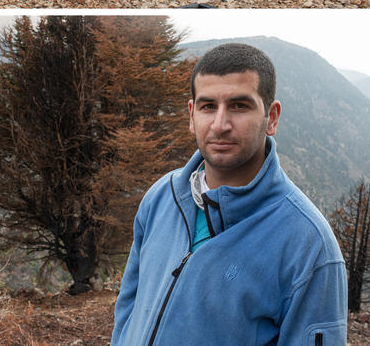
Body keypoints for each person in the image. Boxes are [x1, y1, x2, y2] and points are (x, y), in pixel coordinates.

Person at [110, 42, 347, 346]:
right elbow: (128, 309)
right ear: (191, 115)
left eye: (239, 106)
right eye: (208, 106)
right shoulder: (160, 198)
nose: (220, 125)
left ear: (271, 117)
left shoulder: (309, 245)